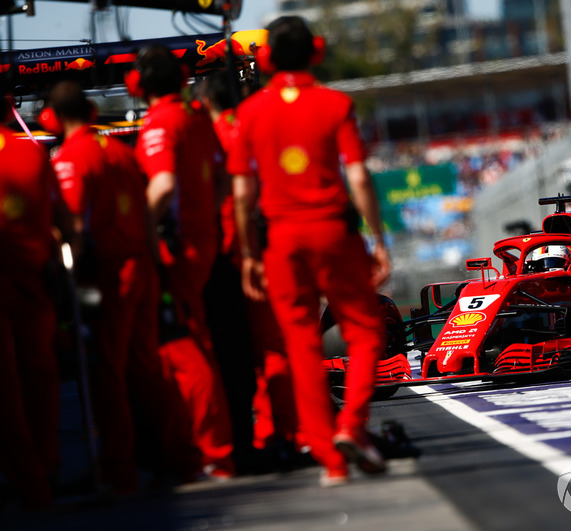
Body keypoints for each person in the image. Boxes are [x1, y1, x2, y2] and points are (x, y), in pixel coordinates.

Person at [229, 16, 391, 487]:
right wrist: (379, 239)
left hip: (281, 240)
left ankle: (332, 462)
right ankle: (352, 425)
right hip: (333, 235)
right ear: (316, 52)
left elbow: (242, 194)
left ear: (266, 59)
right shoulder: (335, 103)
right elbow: (358, 177)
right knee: (363, 334)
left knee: (300, 348)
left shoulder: (250, 113)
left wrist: (249, 254)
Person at [47, 80, 197, 493]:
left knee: (107, 375)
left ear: (52, 119)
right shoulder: (121, 151)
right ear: (93, 113)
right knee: (148, 369)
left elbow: (74, 227)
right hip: (144, 268)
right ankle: (180, 457)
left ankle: (119, 467)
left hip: (109, 277)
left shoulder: (70, 159)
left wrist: (66, 278)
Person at [128, 45, 235, 480]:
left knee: (184, 350)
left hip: (176, 249)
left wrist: (139, 228)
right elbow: (224, 179)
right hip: (202, 241)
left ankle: (211, 450)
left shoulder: (160, 121)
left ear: (138, 86)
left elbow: (163, 185)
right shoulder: (196, 118)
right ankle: (203, 449)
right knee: (193, 344)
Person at [195, 71, 300, 472]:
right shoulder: (257, 124)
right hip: (267, 243)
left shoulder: (210, 135)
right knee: (275, 346)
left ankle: (257, 437)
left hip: (229, 255)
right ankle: (286, 432)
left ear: (206, 102)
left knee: (238, 354)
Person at [0, 87, 68, 509]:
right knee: (41, 378)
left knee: (7, 389)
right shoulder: (32, 153)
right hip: (37, 279)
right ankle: (48, 466)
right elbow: (62, 219)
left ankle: (30, 480)